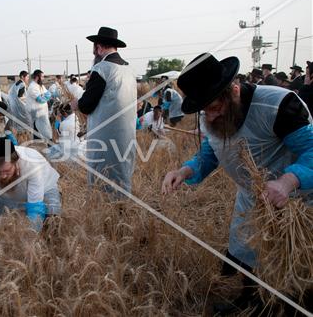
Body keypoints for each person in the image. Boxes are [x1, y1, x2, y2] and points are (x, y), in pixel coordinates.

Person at [161, 53, 313, 315]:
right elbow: (212, 149)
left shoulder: (279, 105)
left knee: (292, 271)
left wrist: (288, 181)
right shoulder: (212, 115)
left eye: (214, 107)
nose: (210, 117)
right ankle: (250, 301)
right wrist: (185, 170)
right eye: (204, 110)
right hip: (251, 198)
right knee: (245, 255)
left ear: (233, 90)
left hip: (296, 202)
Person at [71, 26, 136, 195]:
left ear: (99, 47)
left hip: (105, 136)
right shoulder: (129, 69)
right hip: (127, 135)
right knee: (122, 175)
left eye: (95, 49)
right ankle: (122, 211)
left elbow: (87, 105)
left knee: (104, 178)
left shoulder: (101, 69)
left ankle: (107, 216)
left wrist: (76, 103)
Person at [0, 137, 61, 233]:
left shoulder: (31, 165)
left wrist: (28, 242)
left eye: (7, 171)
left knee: (52, 217)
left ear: (15, 161)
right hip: (8, 196)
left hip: (45, 189)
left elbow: (35, 208)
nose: (3, 176)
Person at [26, 69, 53, 141]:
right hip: (36, 115)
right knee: (38, 133)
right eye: (42, 77)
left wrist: (44, 96)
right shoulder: (32, 87)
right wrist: (45, 96)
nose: (43, 79)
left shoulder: (40, 86)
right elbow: (40, 99)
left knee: (45, 132)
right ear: (37, 77)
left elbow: (48, 94)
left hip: (42, 113)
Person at [6, 71, 32, 135]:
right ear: (23, 77)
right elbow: (20, 97)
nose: (28, 78)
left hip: (12, 106)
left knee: (15, 125)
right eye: (27, 77)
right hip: (18, 107)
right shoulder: (22, 84)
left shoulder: (16, 84)